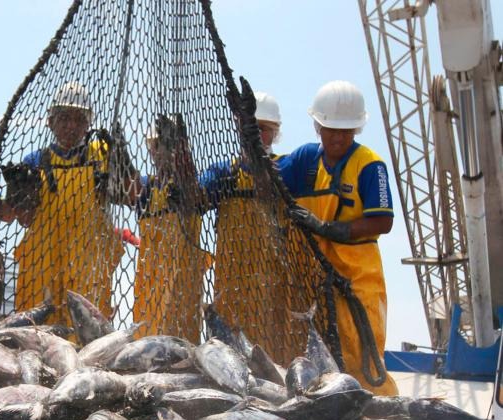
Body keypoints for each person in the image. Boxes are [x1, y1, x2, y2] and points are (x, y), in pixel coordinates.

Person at [278, 80, 398, 395]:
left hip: (357, 277)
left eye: (346, 131)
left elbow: (383, 221)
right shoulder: (305, 161)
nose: (338, 138)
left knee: (362, 353)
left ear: (357, 129)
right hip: (311, 276)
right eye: (331, 129)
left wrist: (328, 228)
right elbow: (268, 174)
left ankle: (379, 416)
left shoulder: (370, 165)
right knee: (307, 355)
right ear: (317, 125)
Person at [0, 82, 135, 326]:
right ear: (50, 122)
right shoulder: (36, 161)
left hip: (87, 263)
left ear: (88, 124)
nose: (71, 125)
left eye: (79, 119)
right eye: (64, 118)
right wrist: (16, 197)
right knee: (35, 332)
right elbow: (21, 219)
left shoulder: (101, 153)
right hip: (43, 263)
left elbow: (132, 194)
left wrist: (122, 156)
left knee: (85, 334)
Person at [203, 92, 300, 364]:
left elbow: (267, 186)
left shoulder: (286, 166)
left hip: (272, 290)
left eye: (264, 130)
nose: (256, 135)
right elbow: (195, 198)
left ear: (276, 133)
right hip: (230, 288)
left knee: (271, 363)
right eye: (250, 128)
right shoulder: (224, 172)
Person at [133, 115, 210, 343]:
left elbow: (193, 193)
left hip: (182, 291)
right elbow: (128, 190)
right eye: (155, 146)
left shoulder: (190, 188)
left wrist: (183, 159)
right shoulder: (146, 188)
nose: (159, 152)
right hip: (148, 294)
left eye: (166, 146)